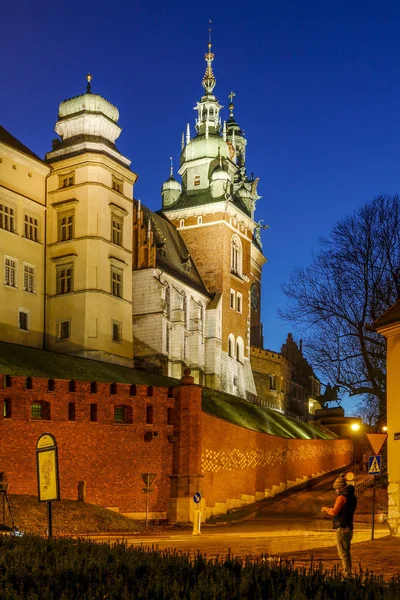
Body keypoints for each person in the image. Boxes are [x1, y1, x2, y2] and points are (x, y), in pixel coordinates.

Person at [321, 473, 357, 577]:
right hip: (349, 527)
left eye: (336, 489)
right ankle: (348, 573)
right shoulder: (352, 497)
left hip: (342, 528)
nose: (335, 491)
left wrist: (326, 509)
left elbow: (334, 512)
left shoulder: (341, 497)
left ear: (340, 488)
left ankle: (347, 575)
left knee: (343, 553)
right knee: (347, 552)